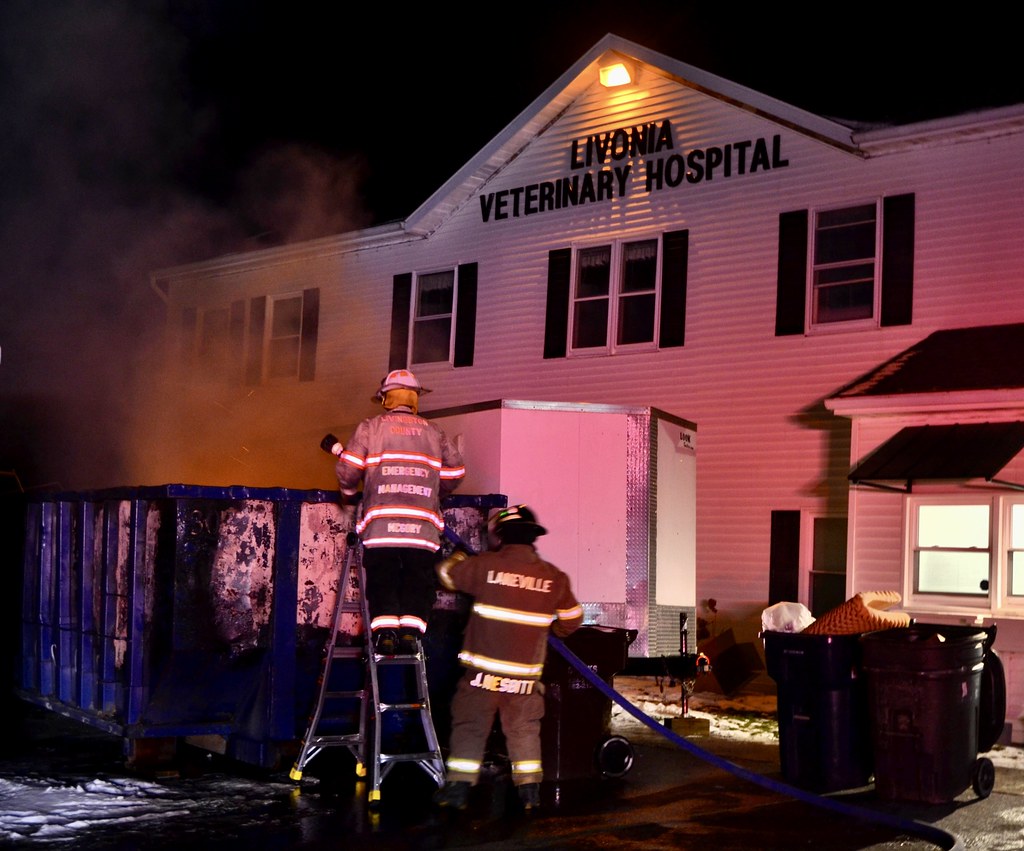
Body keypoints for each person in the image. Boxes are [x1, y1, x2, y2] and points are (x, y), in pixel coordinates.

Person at [432, 505, 584, 813]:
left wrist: (462, 556)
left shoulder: (484, 566)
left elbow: (445, 576)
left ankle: (458, 792)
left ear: (501, 537)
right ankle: (529, 794)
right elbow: (573, 619)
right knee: (524, 730)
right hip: (524, 679)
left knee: (471, 726)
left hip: (481, 675)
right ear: (532, 538)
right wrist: (547, 628)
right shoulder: (554, 578)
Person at [332, 368, 465, 655]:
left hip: (381, 528)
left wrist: (349, 497)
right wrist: (433, 491)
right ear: (416, 398)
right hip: (423, 530)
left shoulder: (371, 427)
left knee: (383, 577)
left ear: (385, 399)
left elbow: (348, 470)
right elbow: (457, 471)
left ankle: (387, 635)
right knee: (418, 579)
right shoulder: (434, 431)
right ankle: (411, 637)